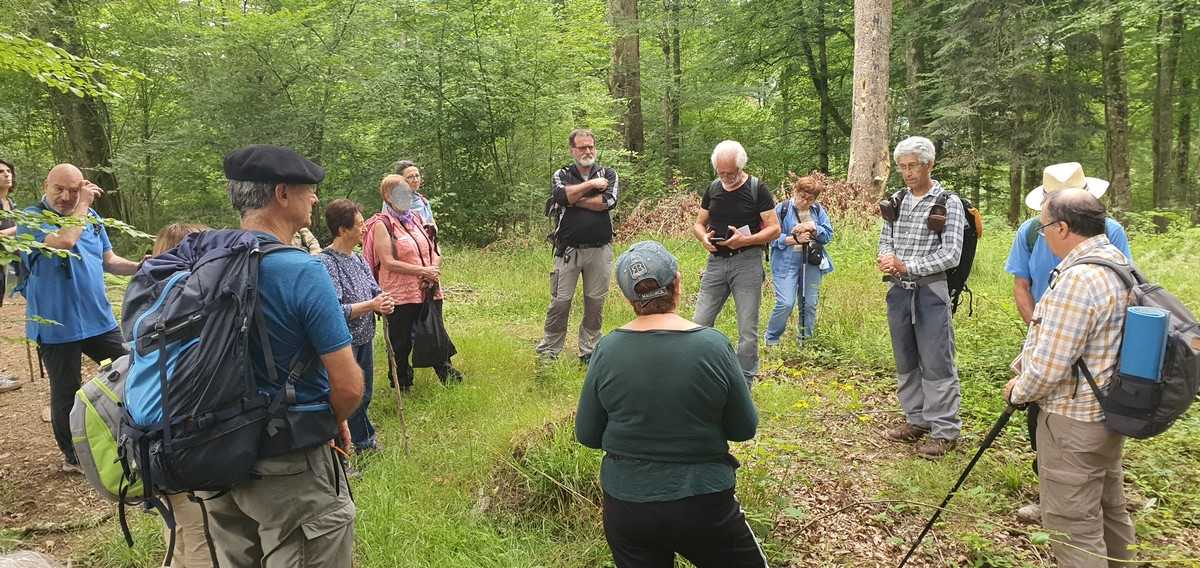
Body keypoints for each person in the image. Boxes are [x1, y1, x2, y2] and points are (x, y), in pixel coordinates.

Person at [202, 145, 363, 567]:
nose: (314, 199)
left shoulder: (204, 261)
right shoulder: (303, 271)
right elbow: (348, 386)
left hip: (213, 456)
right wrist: (332, 422)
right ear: (282, 194)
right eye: (308, 190)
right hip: (288, 463)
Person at [575, 240, 767, 568]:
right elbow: (743, 428)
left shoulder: (605, 350)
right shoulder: (714, 345)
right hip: (704, 502)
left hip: (628, 504)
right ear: (678, 282)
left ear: (627, 297)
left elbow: (588, 435)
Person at [1004, 189, 1137, 567]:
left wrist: (1020, 389)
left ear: (1062, 227)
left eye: (1044, 226)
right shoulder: (1116, 263)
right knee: (1111, 511)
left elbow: (1050, 365)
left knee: (1073, 527)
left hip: (1073, 422)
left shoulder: (1079, 281)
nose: (1042, 234)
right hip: (1107, 414)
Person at [17, 164, 141, 473]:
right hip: (57, 325)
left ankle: (131, 429)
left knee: (134, 365)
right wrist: (83, 204)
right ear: (45, 185)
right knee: (66, 390)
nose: (66, 196)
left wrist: (141, 266)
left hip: (98, 320)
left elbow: (109, 261)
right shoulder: (31, 220)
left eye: (74, 190)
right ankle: (73, 457)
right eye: (59, 188)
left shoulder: (93, 219)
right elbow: (65, 242)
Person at [877, 136, 964, 459]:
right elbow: (885, 239)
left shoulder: (947, 202)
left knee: (936, 359)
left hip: (930, 290)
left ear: (930, 164)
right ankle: (916, 419)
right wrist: (887, 259)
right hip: (898, 289)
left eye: (913, 165)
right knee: (905, 357)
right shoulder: (897, 200)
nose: (908, 172)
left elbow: (951, 254)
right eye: (902, 167)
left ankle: (944, 430)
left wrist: (908, 265)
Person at [150, 222, 214, 568]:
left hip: (153, 444)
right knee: (204, 532)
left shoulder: (147, 305)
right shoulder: (191, 310)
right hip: (188, 442)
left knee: (177, 532)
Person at [363, 175, 463, 390]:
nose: (407, 196)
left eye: (408, 192)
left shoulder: (417, 218)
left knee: (435, 332)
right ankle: (402, 384)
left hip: (427, 289)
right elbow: (388, 262)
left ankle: (448, 376)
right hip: (399, 295)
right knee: (401, 343)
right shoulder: (381, 224)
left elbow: (433, 248)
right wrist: (422, 270)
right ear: (388, 197)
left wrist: (432, 269)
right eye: (401, 193)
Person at [692, 140, 779, 384]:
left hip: (747, 262)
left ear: (741, 167)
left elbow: (775, 229)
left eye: (731, 173)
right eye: (722, 173)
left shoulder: (756, 188)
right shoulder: (713, 188)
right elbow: (699, 223)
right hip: (716, 262)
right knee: (699, 323)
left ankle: (745, 381)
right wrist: (704, 238)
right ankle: (700, 375)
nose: (726, 178)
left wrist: (745, 240)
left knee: (747, 331)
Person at [536, 128, 619, 365]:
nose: (588, 151)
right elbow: (561, 195)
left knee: (595, 303)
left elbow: (608, 202)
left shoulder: (609, 173)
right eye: (582, 147)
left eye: (591, 146)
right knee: (560, 302)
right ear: (573, 150)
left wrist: (575, 200)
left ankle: (589, 352)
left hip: (600, 250)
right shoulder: (562, 173)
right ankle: (549, 353)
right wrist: (591, 185)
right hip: (568, 251)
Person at [319, 198, 395, 452]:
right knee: (347, 396)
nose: (365, 229)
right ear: (342, 229)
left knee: (365, 394)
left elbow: (374, 290)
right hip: (343, 343)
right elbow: (333, 311)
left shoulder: (359, 259)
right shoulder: (327, 263)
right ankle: (348, 446)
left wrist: (384, 301)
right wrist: (371, 305)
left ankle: (363, 441)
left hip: (365, 337)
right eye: (360, 225)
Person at [764, 174, 834, 347]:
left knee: (809, 303)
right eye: (803, 197)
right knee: (786, 303)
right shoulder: (782, 209)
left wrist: (813, 227)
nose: (805, 202)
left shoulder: (817, 210)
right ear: (796, 191)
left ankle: (806, 342)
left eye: (810, 199)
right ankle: (771, 340)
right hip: (785, 263)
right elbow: (771, 238)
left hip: (811, 262)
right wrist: (794, 239)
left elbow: (828, 235)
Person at [0, 158, 20, 393]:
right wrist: (15, 230)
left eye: (8, 171)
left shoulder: (10, 203)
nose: (6, 175)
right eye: (1, 172)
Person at [392, 159, 436, 227]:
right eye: (410, 177)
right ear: (400, 180)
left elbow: (433, 226)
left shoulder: (423, 201)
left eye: (417, 176)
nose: (415, 180)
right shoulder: (392, 202)